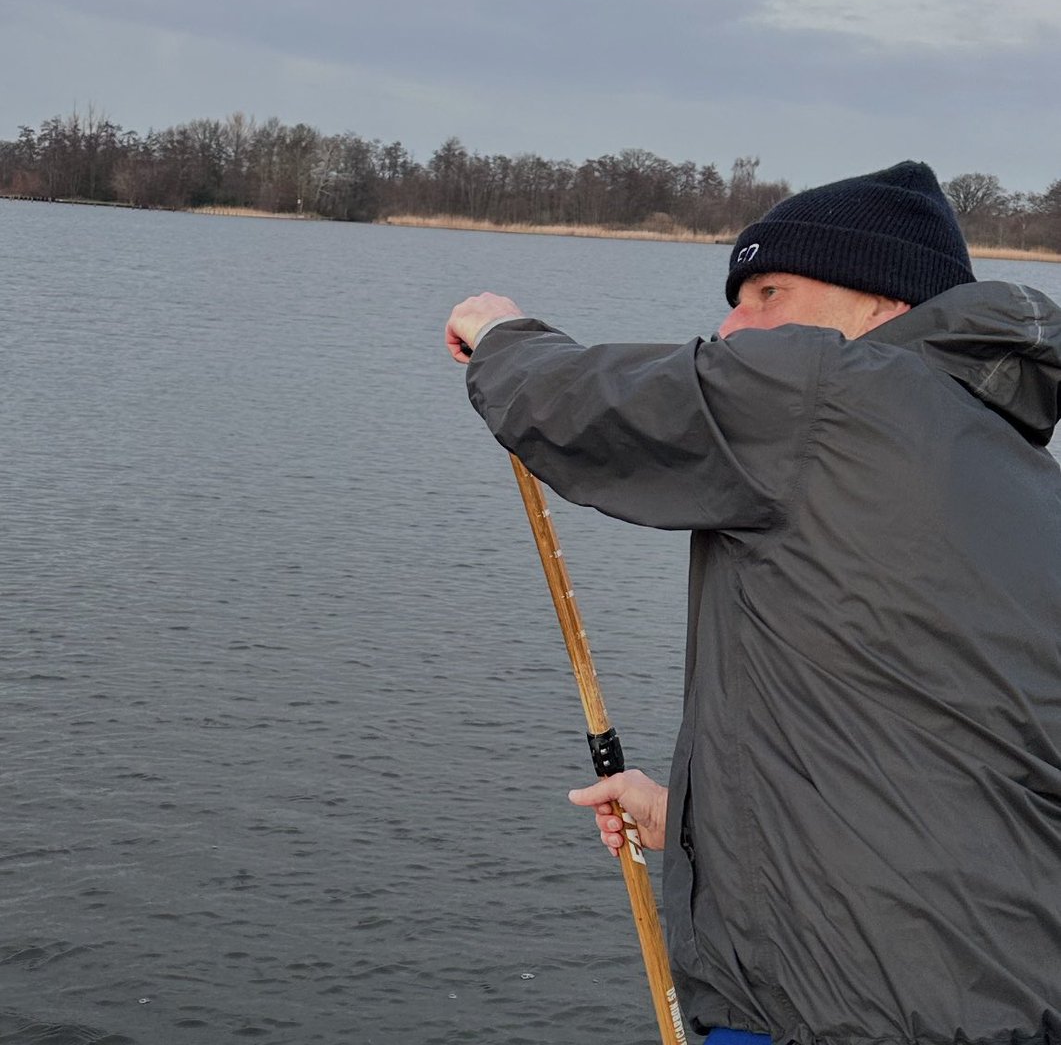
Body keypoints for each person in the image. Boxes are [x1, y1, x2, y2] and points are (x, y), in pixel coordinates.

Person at [444, 161, 1061, 1045]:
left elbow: (581, 404)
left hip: (861, 1007)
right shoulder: (1008, 469)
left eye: (769, 291)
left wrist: (499, 334)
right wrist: (699, 826)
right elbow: (922, 743)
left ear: (884, 305)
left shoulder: (832, 392)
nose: (734, 325)